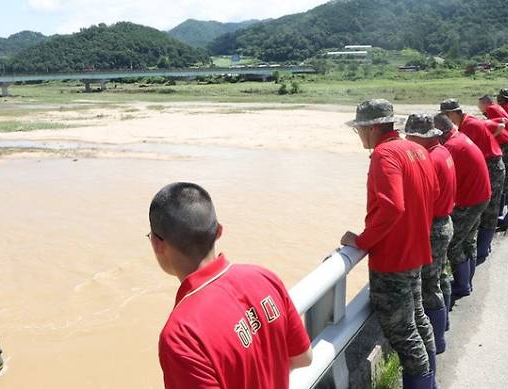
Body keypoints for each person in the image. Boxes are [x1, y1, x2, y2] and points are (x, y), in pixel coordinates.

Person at [149, 182, 312, 389]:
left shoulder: (182, 335)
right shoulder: (264, 277)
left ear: (157, 243)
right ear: (218, 231)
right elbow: (303, 357)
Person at [341, 100, 439, 389]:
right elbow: (431, 194)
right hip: (417, 250)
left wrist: (361, 241)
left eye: (359, 129)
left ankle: (423, 384)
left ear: (371, 128)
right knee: (418, 320)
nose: (359, 135)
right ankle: (432, 378)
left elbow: (392, 207)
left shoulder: (384, 155)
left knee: (403, 333)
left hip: (394, 259)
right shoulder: (418, 150)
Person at [404, 114, 456, 355]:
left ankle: (438, 341)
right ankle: (443, 326)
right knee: (440, 277)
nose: (408, 142)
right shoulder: (442, 152)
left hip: (435, 227)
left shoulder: (431, 159)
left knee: (430, 286)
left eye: (411, 137)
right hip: (445, 222)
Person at [440, 99, 504, 266]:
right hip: (487, 168)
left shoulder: (468, 127)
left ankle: (483, 251)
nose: (448, 119)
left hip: (491, 165)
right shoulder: (466, 125)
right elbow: (500, 125)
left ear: (452, 113)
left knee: (488, 214)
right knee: (473, 230)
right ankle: (480, 254)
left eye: (447, 115)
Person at [434, 114, 490, 300]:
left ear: (440, 133)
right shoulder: (459, 138)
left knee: (454, 244)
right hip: (480, 195)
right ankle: (467, 281)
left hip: (470, 200)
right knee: (468, 240)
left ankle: (462, 285)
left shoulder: (451, 147)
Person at [478, 95, 508, 230]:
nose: (479, 108)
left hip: (507, 147)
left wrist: (493, 135)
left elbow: (502, 124)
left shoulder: (491, 109)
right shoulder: (495, 108)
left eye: (479, 105)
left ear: (485, 103)